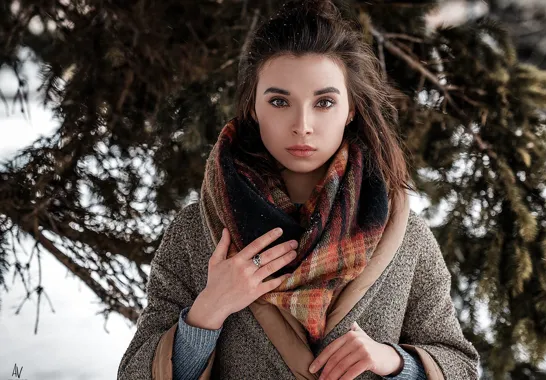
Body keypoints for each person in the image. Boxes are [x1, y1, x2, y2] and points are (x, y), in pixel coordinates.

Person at [117, 0, 479, 379]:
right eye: (279, 101)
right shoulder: (196, 233)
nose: (302, 125)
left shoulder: (406, 236)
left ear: (352, 108)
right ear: (254, 108)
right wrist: (206, 314)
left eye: (324, 102)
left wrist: (393, 361)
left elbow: (461, 367)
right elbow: (134, 374)